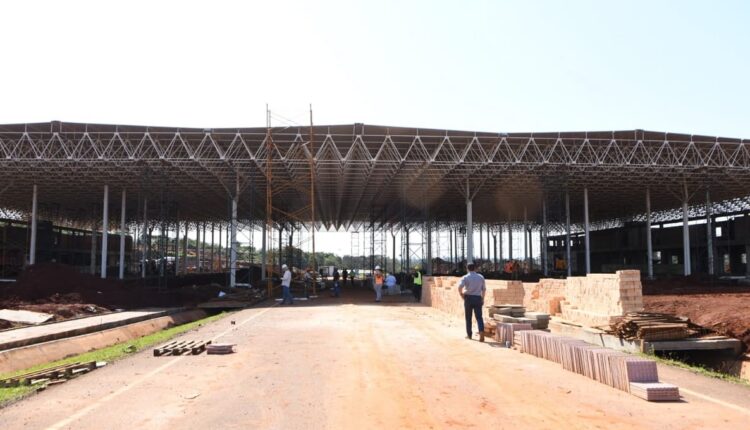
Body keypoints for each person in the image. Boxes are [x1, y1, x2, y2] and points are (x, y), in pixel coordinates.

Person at [458, 263, 486, 341]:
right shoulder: (481, 277)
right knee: (479, 317)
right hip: (478, 298)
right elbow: (484, 289)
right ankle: (481, 331)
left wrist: (461, 295)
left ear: (467, 269)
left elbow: (460, 287)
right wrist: (482, 298)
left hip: (468, 298)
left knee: (468, 317)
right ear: (475, 268)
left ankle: (469, 335)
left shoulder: (465, 277)